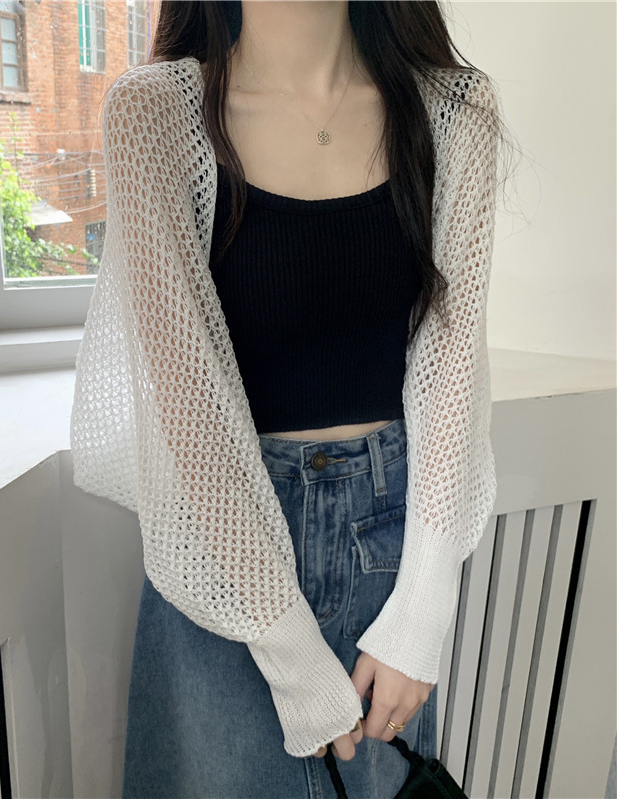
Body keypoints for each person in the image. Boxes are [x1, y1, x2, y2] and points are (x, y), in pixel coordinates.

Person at [70, 1, 509, 796]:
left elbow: (453, 362)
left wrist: (423, 608)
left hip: (392, 546)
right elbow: (186, 403)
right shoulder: (155, 114)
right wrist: (290, 649)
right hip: (221, 556)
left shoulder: (453, 111)